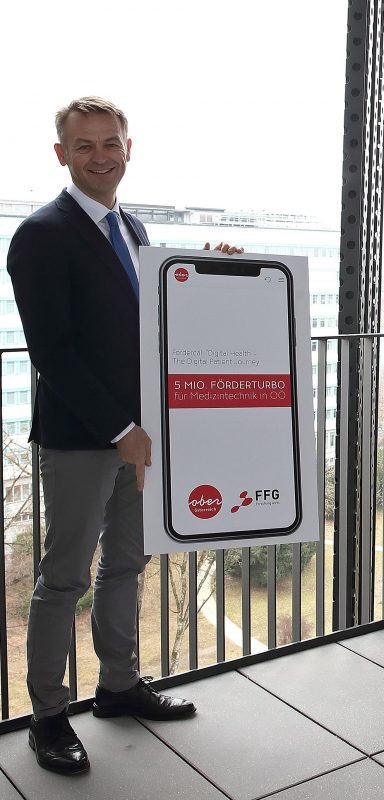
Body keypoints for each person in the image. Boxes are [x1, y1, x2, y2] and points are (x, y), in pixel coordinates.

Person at [7, 96, 243, 775]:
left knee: (126, 565)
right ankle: (48, 716)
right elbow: (54, 351)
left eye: (110, 142)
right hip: (85, 440)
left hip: (140, 436)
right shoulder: (40, 235)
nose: (100, 155)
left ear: (128, 147)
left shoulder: (132, 227)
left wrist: (206, 267)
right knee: (62, 580)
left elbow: (146, 315)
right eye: (85, 146)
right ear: (62, 155)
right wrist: (119, 431)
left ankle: (116, 687)